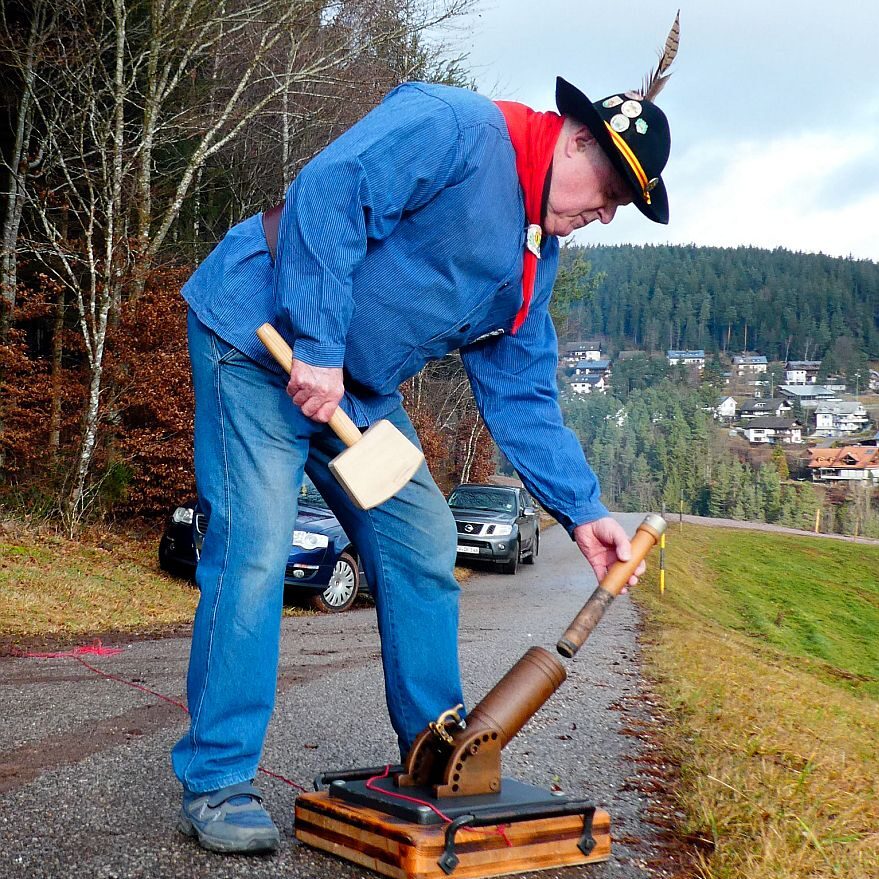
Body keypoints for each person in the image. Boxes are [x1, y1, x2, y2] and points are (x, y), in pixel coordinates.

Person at [173, 73, 673, 854]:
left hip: (355, 392)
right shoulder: (455, 127)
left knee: (420, 537)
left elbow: (521, 393)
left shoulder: (532, 263)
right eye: (609, 191)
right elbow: (329, 193)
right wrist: (317, 344)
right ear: (575, 139)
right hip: (261, 341)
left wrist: (582, 512)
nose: (604, 214)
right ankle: (218, 777)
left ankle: (436, 752)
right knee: (258, 549)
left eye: (621, 206)